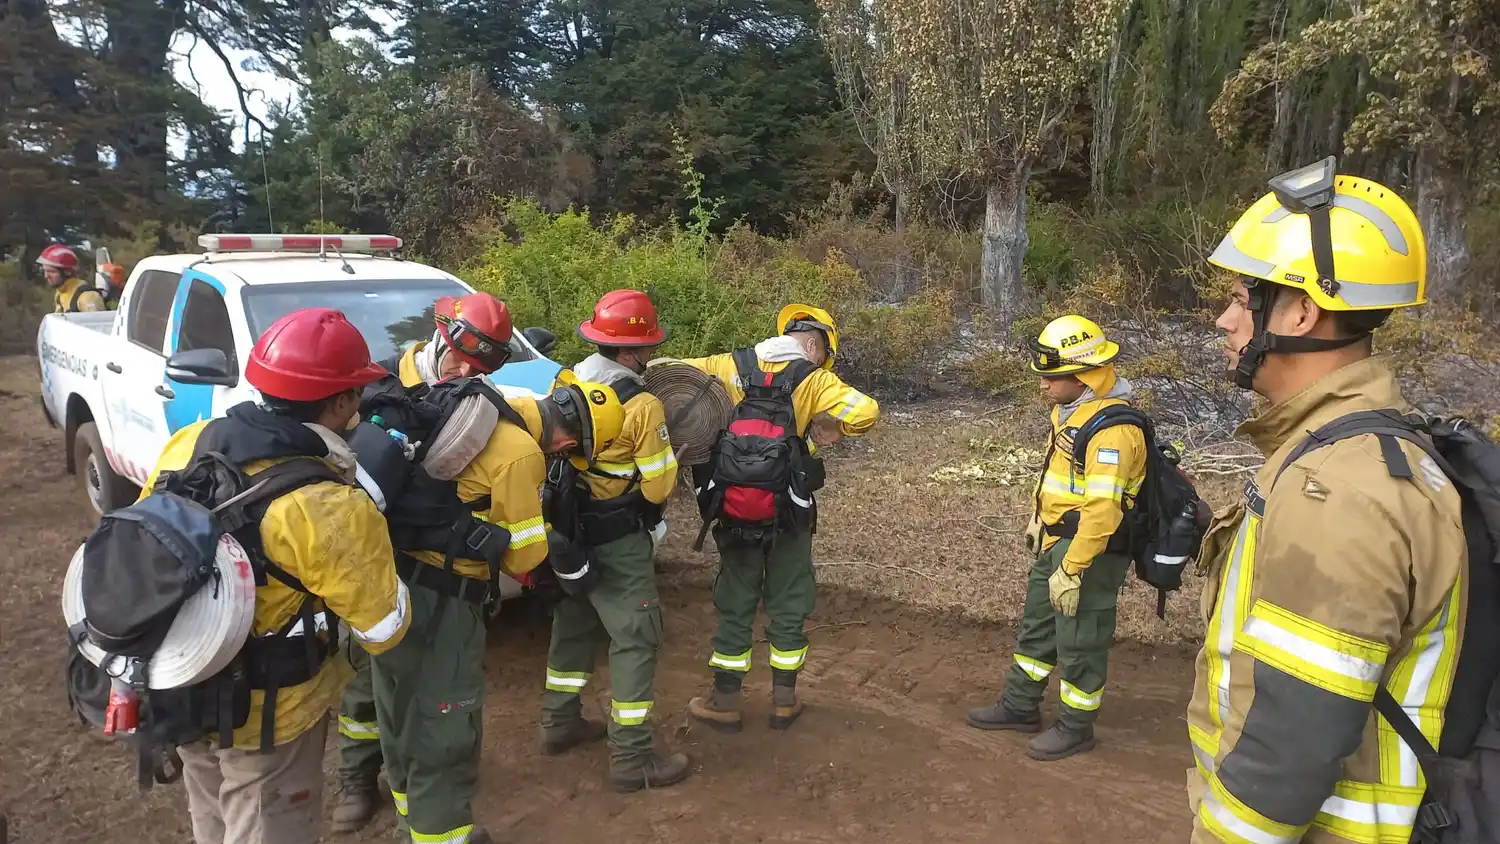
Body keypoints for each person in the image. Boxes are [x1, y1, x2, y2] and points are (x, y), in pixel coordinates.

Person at [1185, 158, 1467, 842]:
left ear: (1303, 311)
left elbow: (1291, 746)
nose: (1225, 321)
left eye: (1241, 298)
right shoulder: (1350, 453)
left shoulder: (1340, 488)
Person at [139, 307, 412, 844]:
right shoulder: (329, 505)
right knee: (265, 819)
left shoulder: (193, 441)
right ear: (341, 403)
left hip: (183, 678)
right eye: (355, 393)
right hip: (267, 712)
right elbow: (384, 628)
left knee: (213, 813)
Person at [371, 368, 625, 844]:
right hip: (445, 598)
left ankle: (411, 815)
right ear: (570, 439)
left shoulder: (479, 407)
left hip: (392, 580)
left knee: (399, 701)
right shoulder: (520, 453)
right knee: (449, 715)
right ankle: (442, 831)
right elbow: (522, 556)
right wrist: (550, 538)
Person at [331, 291, 513, 834]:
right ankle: (355, 777)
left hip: (425, 569)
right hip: (367, 563)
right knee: (366, 682)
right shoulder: (377, 388)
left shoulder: (477, 401)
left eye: (480, 367)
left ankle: (414, 804)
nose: (464, 372)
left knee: (408, 690)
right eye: (460, 358)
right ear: (440, 332)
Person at [683, 304, 880, 732]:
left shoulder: (728, 364)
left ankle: (726, 700)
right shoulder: (814, 378)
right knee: (789, 600)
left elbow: (670, 376)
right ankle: (784, 701)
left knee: (735, 601)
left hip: (734, 507)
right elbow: (866, 411)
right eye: (822, 353)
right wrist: (836, 429)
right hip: (789, 510)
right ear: (813, 344)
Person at [965, 315, 1146, 761]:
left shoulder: (1113, 430)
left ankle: (1075, 726)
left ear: (1083, 375)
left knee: (1081, 638)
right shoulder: (1072, 412)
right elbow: (1059, 476)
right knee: (1040, 625)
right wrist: (1038, 520)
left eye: (1051, 377)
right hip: (1056, 540)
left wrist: (1073, 567)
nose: (1043, 385)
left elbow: (1103, 511)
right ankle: (1020, 705)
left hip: (1088, 550)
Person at [539, 289, 690, 792]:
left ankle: (558, 722)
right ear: (629, 352)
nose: (648, 354)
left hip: (569, 532)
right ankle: (632, 757)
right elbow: (658, 485)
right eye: (645, 345)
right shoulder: (641, 404)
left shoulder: (569, 380)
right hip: (618, 537)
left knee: (575, 621)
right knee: (636, 636)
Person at [38, 244, 105, 313]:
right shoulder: (60, 294)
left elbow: (98, 322)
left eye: (52, 271)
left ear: (68, 272)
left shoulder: (87, 296)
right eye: (45, 271)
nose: (46, 276)